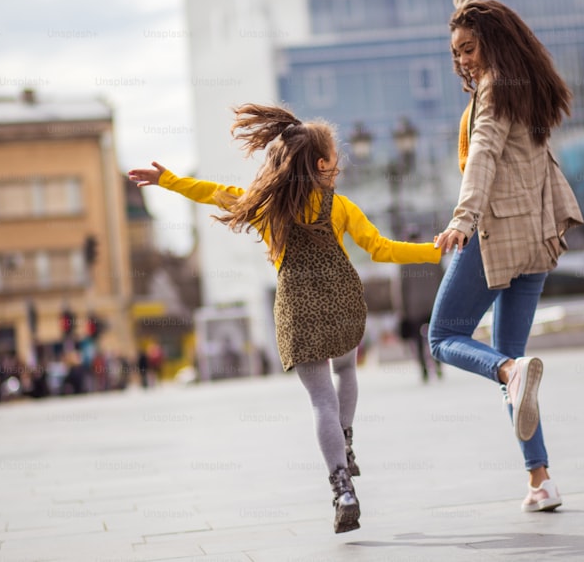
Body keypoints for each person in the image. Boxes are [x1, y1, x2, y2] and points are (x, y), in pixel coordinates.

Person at [130, 103, 440, 534]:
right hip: (341, 299)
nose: (340, 164)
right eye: (336, 157)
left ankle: (341, 486)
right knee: (347, 370)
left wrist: (167, 181)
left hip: (298, 307)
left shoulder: (264, 206)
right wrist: (436, 249)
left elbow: (210, 191)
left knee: (319, 401)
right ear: (320, 164)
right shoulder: (340, 206)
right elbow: (383, 249)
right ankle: (346, 443)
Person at [429, 0, 584, 513]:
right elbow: (479, 30)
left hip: (500, 232)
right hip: (540, 237)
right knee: (514, 365)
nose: (463, 59)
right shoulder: (525, 81)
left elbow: (484, 158)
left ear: (492, 44)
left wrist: (461, 219)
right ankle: (540, 480)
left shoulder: (494, 91)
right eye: (456, 53)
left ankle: (508, 371)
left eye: (469, 49)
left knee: (442, 336)